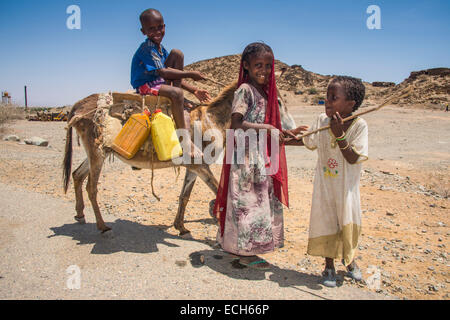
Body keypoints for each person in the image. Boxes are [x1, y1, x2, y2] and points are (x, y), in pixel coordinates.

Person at [284, 76, 368, 287]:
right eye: (326, 97)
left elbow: (352, 157)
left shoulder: (359, 125)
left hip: (346, 189)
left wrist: (339, 134)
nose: (327, 101)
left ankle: (349, 262)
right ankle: (329, 265)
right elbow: (307, 140)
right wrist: (283, 141)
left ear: (351, 104)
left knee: (345, 223)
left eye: (334, 97)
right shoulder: (322, 121)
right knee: (327, 223)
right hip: (324, 187)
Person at [213, 42, 289, 270]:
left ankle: (240, 247)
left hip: (259, 158)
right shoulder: (245, 90)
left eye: (268, 65)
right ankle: (246, 253)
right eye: (258, 65)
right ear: (246, 66)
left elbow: (269, 125)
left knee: (256, 204)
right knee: (247, 205)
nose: (264, 70)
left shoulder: (265, 93)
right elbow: (236, 123)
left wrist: (288, 133)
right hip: (245, 160)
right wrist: (266, 128)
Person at [131, 8, 211, 157]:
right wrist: (190, 74)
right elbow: (163, 73)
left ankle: (178, 100)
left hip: (158, 82)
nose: (157, 31)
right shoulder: (147, 49)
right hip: (145, 85)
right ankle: (185, 141)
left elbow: (170, 72)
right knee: (176, 92)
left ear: (164, 26)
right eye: (151, 29)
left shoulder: (161, 49)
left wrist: (194, 90)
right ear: (143, 31)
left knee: (177, 54)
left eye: (160, 27)